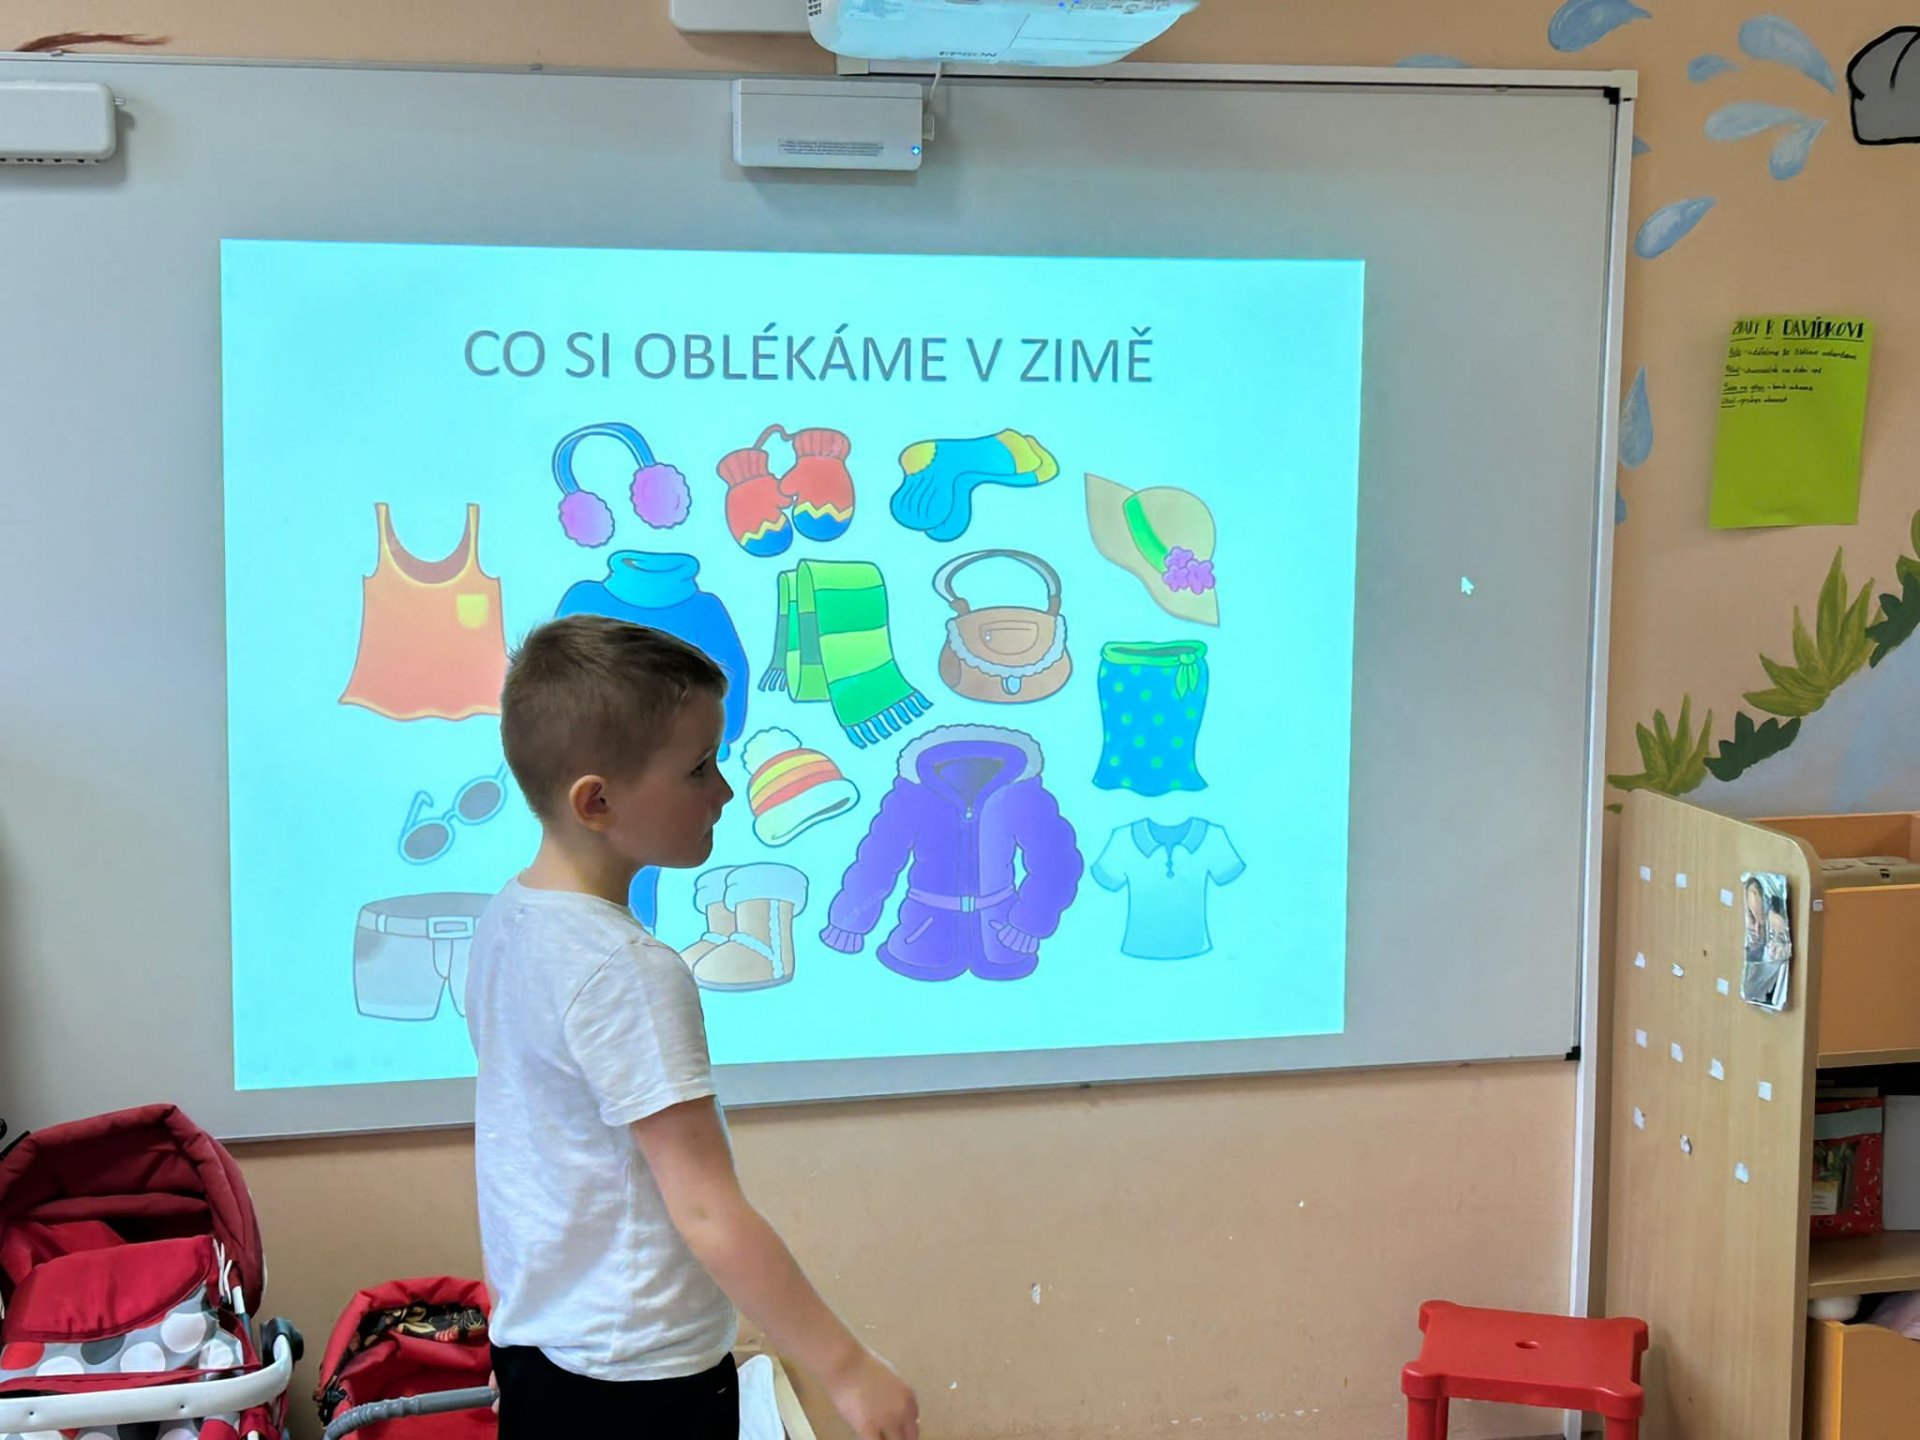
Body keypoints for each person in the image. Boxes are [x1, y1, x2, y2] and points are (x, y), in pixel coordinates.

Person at [465, 615, 920, 1440]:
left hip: (542, 1352)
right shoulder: (627, 970)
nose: (725, 792)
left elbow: (532, 1155)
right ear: (597, 801)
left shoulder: (508, 920)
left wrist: (524, 1332)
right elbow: (707, 1210)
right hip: (639, 1381)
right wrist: (849, 1371)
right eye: (699, 767)